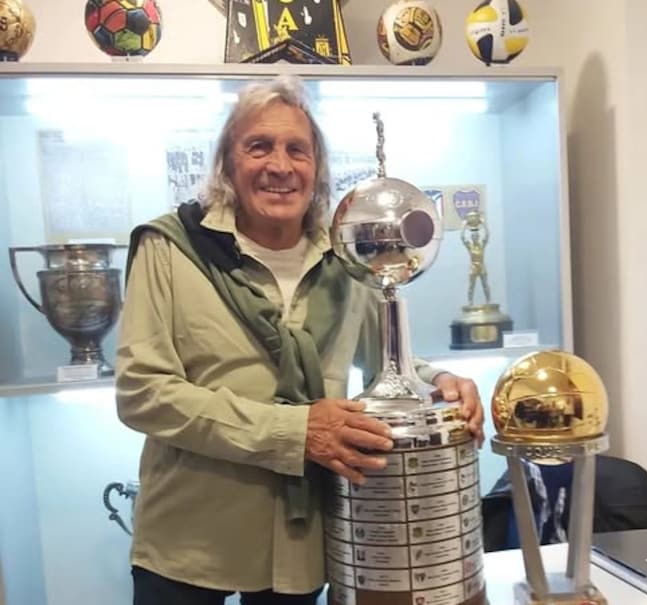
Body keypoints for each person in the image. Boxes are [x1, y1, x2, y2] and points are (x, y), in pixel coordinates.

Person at [115, 75, 485, 605]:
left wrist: (440, 383)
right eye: (258, 146)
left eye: (297, 150)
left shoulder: (345, 258)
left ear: (317, 169)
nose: (280, 166)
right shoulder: (170, 249)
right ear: (227, 164)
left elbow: (384, 360)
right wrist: (295, 431)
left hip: (305, 544)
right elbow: (142, 392)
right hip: (190, 542)